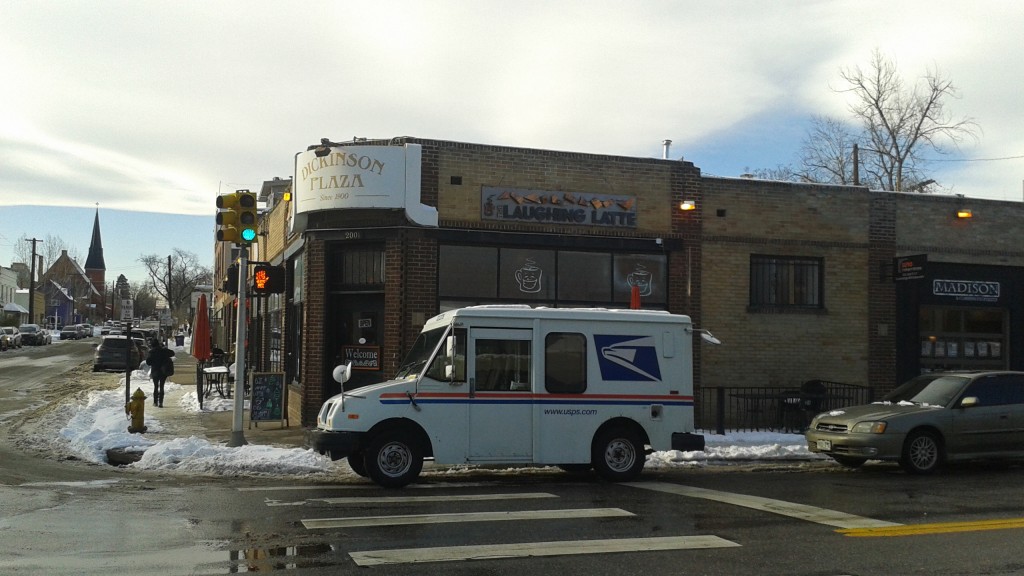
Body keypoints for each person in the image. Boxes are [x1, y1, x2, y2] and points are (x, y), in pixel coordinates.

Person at [146, 338, 176, 407]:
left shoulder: (152, 352)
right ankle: (161, 402)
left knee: (156, 386)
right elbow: (172, 353)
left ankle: (155, 402)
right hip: (163, 371)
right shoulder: (164, 351)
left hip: (155, 371)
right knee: (162, 386)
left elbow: (148, 362)